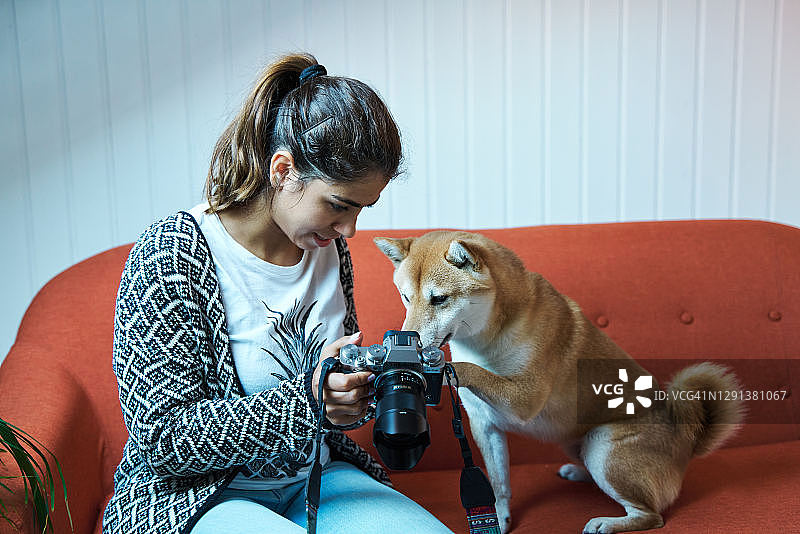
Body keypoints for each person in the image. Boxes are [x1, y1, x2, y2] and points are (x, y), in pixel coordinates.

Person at [103, 53, 452, 534]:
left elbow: (331, 412)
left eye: (362, 209)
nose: (350, 229)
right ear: (283, 170)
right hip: (198, 496)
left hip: (317, 476)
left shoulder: (327, 247)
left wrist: (361, 393)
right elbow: (161, 440)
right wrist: (305, 403)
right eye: (339, 205)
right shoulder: (170, 255)